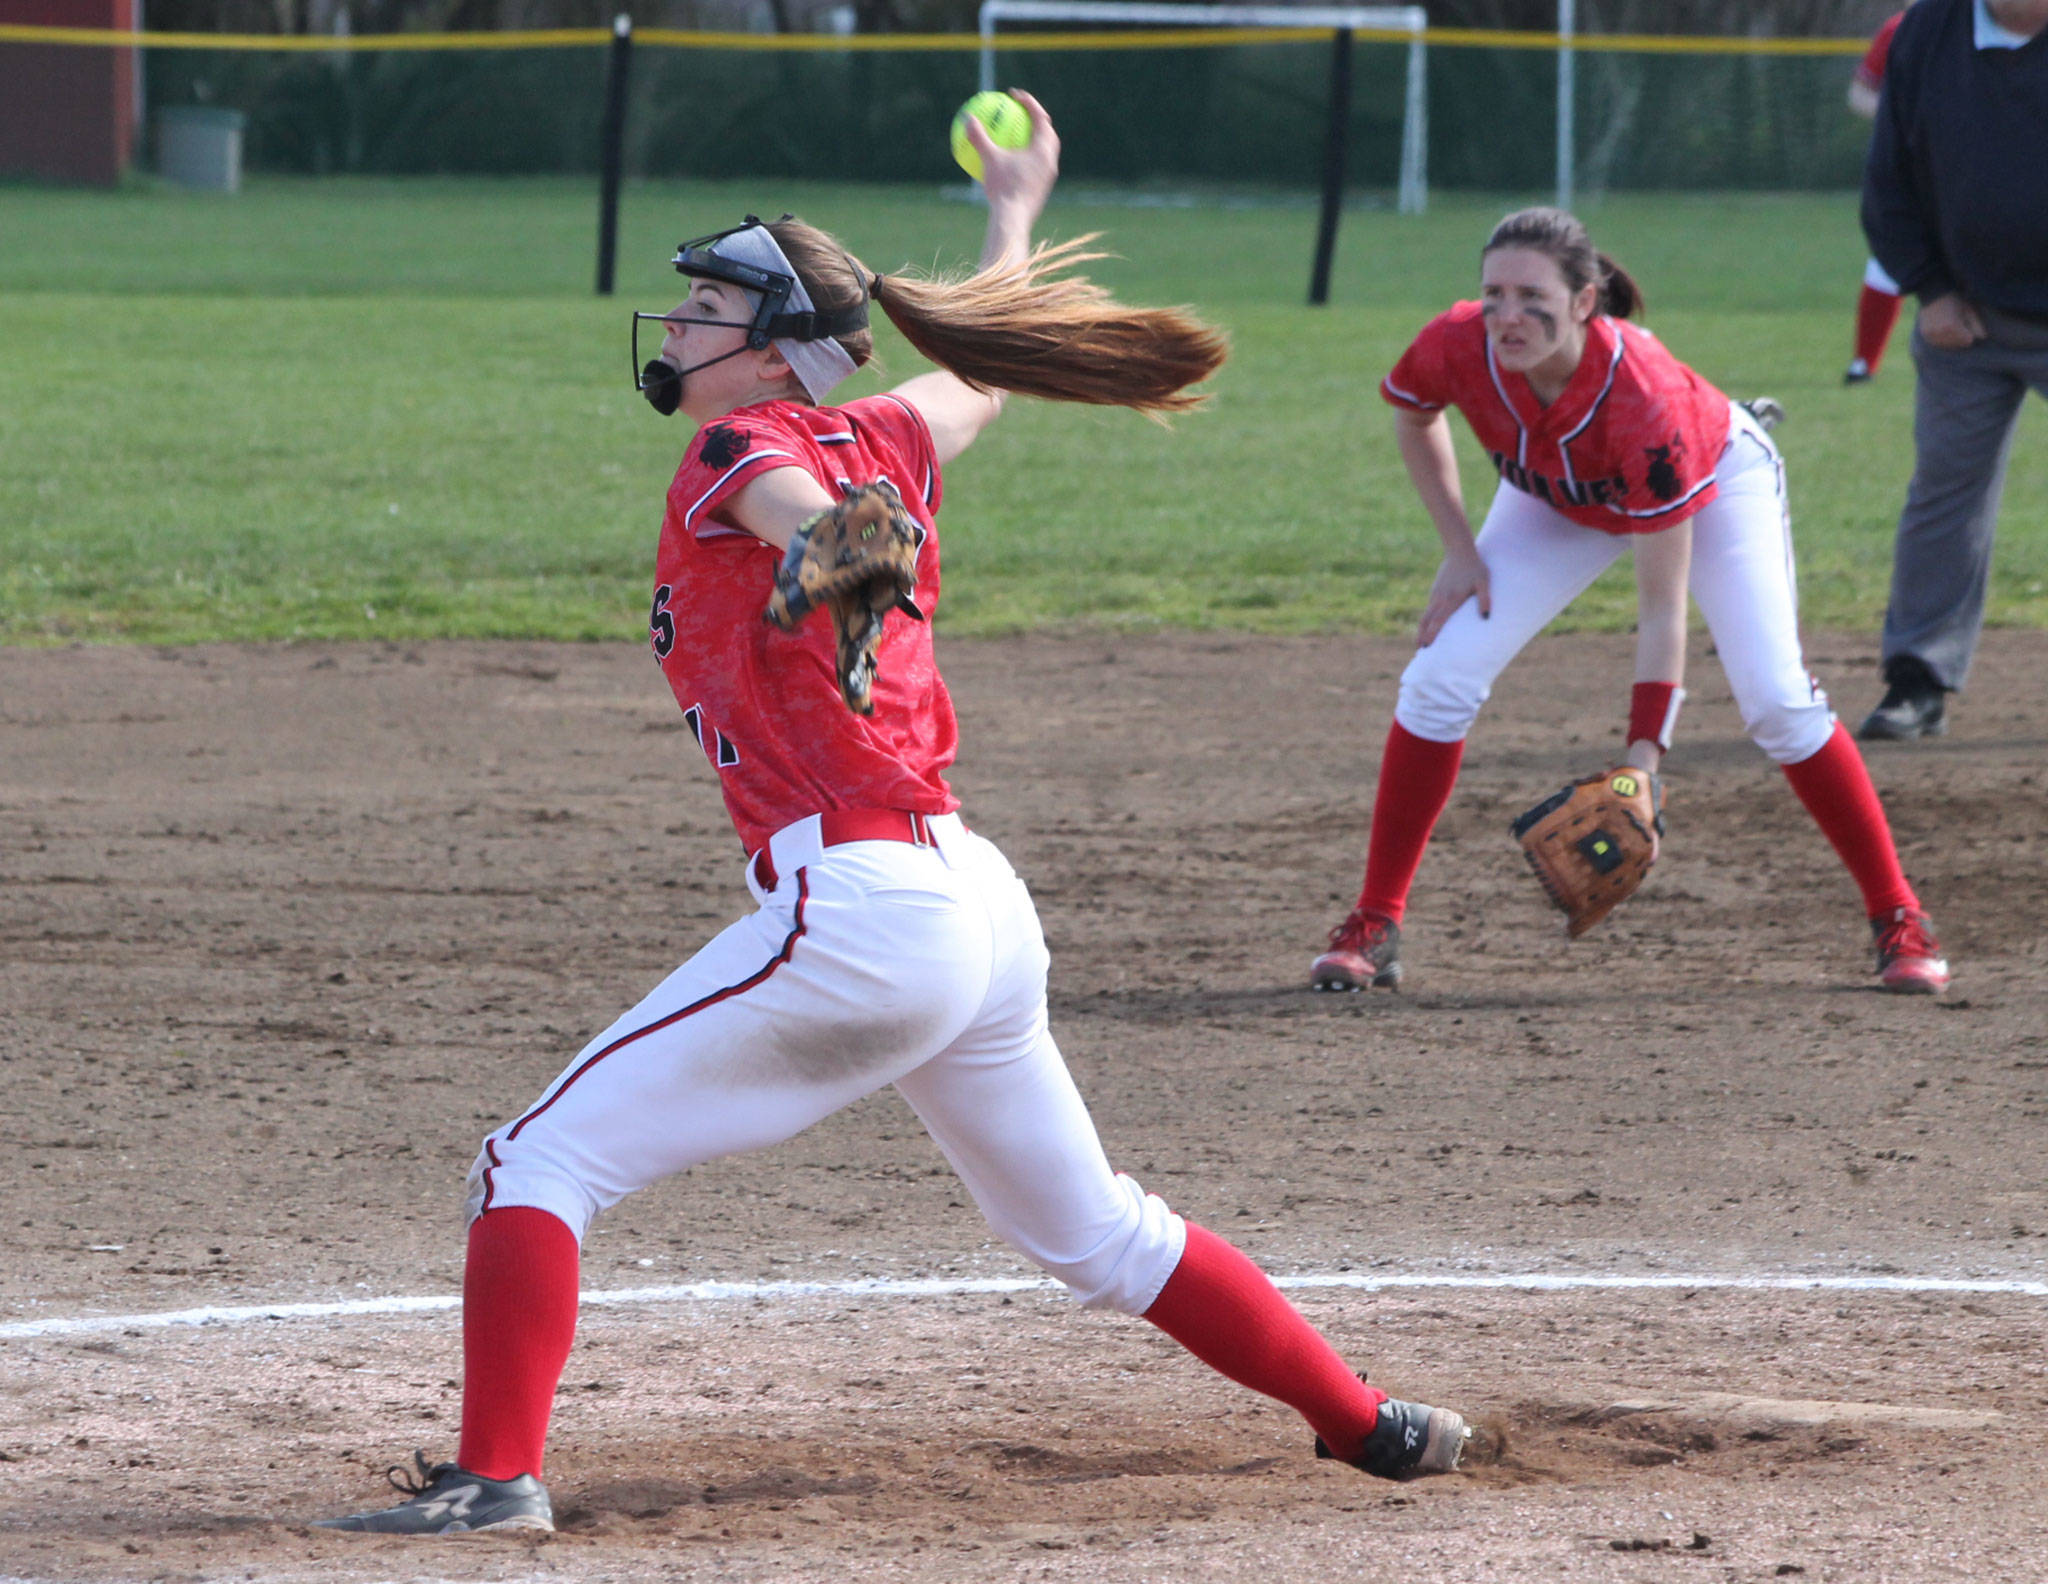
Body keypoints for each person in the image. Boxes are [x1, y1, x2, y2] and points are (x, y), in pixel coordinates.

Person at [316, 95, 1469, 1537]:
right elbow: (977, 380)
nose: (679, 322)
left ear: (771, 346)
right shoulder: (887, 429)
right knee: (1097, 1231)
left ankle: (494, 1482)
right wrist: (1012, 210)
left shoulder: (739, 452)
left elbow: (800, 508)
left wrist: (840, 551)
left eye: (707, 306)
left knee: (532, 1162)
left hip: (863, 911)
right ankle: (1372, 1425)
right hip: (974, 908)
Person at [1310, 207, 1951, 1001]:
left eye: (1533, 297)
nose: (1508, 316)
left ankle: (1899, 916)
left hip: (1712, 480)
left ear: (1585, 302)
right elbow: (1414, 415)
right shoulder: (1458, 342)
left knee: (1778, 702)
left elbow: (1661, 609)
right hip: (1557, 495)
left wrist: (1642, 763)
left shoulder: (1642, 399)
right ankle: (1375, 922)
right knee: (1439, 680)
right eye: (1495, 294)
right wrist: (1460, 550)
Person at [1856, 0, 2048, 741]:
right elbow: (1890, 177)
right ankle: (1918, 678)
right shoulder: (1929, 32)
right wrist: (1930, 289)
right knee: (1945, 493)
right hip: (1968, 316)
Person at [1844, 8, 1910, 385]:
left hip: (1973, 164)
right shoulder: (1901, 28)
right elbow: (1859, 93)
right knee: (1888, 257)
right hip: (1908, 164)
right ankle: (1864, 363)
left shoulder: (1989, 25)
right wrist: (1900, 113)